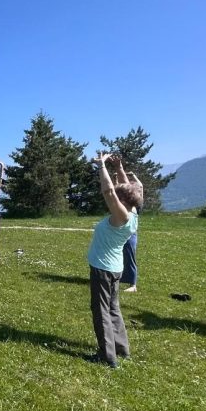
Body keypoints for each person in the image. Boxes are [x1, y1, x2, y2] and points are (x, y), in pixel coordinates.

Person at [86, 152, 143, 368]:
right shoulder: (133, 212)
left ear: (122, 201)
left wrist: (101, 166)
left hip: (103, 268)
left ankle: (106, 356)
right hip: (114, 268)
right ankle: (122, 349)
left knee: (101, 310)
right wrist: (118, 167)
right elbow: (127, 189)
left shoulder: (122, 216)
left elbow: (109, 191)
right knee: (113, 308)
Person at [109, 156, 143, 292]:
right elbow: (121, 187)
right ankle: (116, 278)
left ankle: (133, 285)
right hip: (119, 232)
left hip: (128, 235)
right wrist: (118, 171)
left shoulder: (133, 207)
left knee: (129, 256)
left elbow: (126, 186)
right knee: (118, 255)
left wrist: (119, 168)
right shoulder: (127, 204)